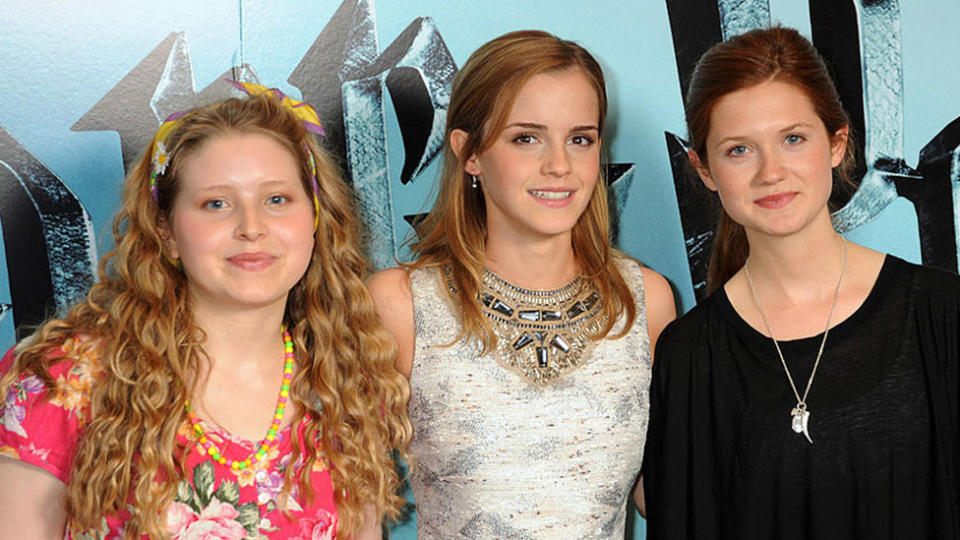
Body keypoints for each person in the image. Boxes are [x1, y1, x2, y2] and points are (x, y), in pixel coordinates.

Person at [0, 85, 411, 539]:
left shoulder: (345, 385)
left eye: (277, 199)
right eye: (216, 204)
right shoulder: (66, 378)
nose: (251, 228)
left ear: (315, 220)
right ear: (167, 232)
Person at [643, 26, 960, 539]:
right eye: (739, 150)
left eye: (792, 139)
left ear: (836, 144)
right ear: (704, 170)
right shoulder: (690, 356)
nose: (771, 172)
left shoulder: (941, 315)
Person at [368, 30, 675, 538]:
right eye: (526, 138)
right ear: (469, 153)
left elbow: (662, 494)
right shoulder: (401, 305)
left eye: (581, 139)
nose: (559, 165)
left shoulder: (644, 301)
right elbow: (348, 497)